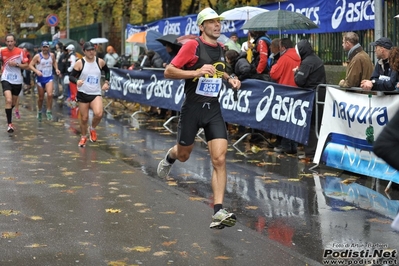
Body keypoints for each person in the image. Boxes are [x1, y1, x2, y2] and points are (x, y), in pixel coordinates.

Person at [157, 7, 241, 229]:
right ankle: (170, 156)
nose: (217, 25)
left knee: (219, 159)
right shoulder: (192, 46)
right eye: (212, 22)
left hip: (213, 109)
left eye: (219, 22)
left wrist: (230, 78)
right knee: (183, 155)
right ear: (202, 26)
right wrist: (195, 72)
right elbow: (169, 71)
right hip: (192, 109)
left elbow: (218, 70)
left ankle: (218, 210)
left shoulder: (222, 48)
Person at [69, 42, 110, 147]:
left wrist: (106, 82)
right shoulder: (80, 63)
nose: (91, 52)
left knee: (99, 113)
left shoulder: (99, 61)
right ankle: (83, 137)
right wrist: (76, 81)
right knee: (84, 118)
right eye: (88, 50)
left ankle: (92, 128)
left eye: (93, 50)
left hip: (95, 93)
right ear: (84, 52)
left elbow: (107, 70)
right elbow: (71, 76)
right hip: (83, 93)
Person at [293, 39, 327, 160]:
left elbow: (299, 81)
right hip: (320, 95)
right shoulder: (316, 59)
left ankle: (312, 153)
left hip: (312, 96)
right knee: (316, 125)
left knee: (312, 125)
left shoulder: (307, 62)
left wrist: (296, 73)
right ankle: (316, 152)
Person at [270, 38, 301, 154]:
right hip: (297, 92)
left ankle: (285, 145)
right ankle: (293, 145)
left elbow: (274, 74)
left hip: (284, 92)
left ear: (282, 47)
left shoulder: (284, 58)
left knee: (284, 119)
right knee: (293, 120)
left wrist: (274, 65)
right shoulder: (299, 57)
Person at [0, 34, 29, 133]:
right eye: (8, 41)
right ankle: (9, 124)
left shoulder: (20, 52)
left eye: (11, 41)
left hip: (17, 80)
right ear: (5, 42)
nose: (9, 43)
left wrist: (16, 64)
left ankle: (9, 111)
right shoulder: (2, 51)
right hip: (6, 78)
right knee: (8, 100)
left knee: (12, 102)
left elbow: (26, 65)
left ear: (15, 42)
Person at [29, 41, 61, 121]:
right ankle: (39, 111)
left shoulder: (52, 55)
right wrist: (36, 71)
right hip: (40, 79)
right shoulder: (38, 56)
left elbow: (54, 62)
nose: (45, 48)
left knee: (50, 95)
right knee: (41, 98)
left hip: (49, 77)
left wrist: (56, 69)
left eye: (46, 47)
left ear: (48, 47)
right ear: (41, 47)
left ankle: (49, 111)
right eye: (44, 47)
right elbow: (30, 65)